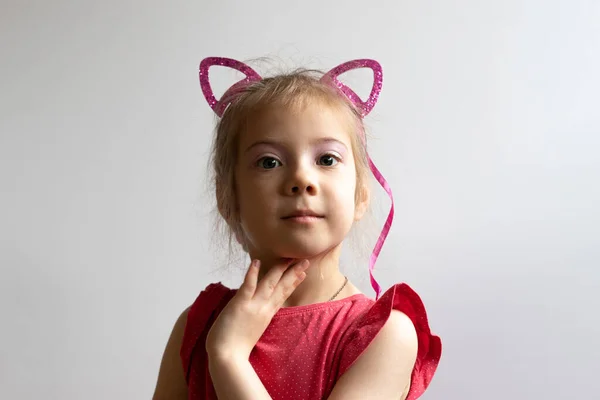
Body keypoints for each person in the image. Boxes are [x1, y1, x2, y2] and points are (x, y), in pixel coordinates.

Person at [153, 57, 442, 400]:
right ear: (228, 198)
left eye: (326, 159)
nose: (301, 179)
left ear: (361, 195)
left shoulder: (383, 335)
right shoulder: (197, 327)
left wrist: (230, 359)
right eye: (268, 162)